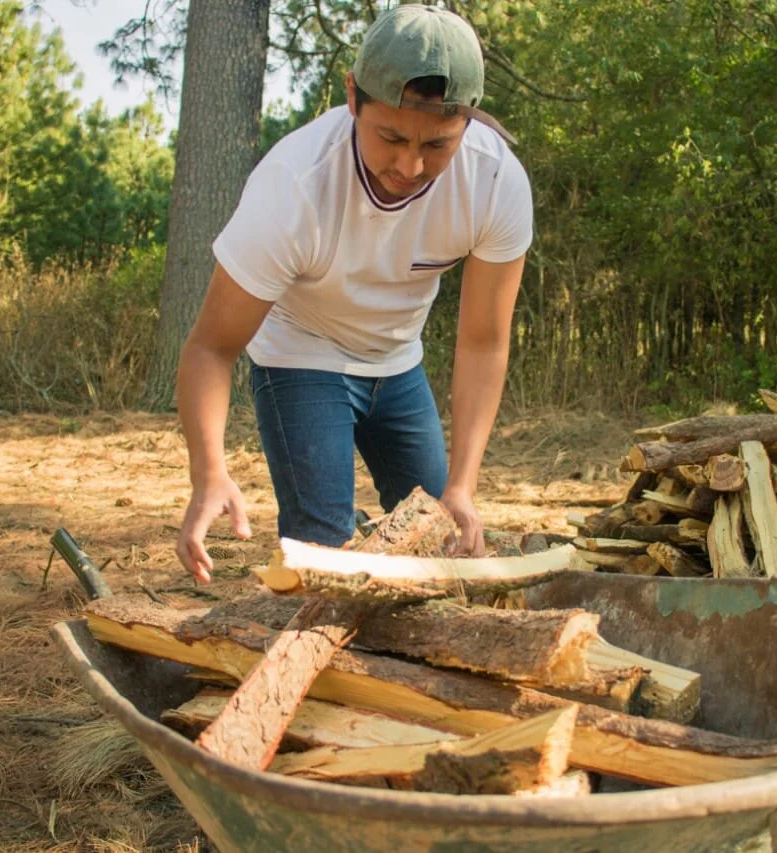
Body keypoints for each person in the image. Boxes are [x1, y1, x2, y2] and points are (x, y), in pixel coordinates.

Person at [173, 4, 533, 583]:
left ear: (469, 126)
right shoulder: (294, 186)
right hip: (301, 355)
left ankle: (370, 538)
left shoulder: (495, 181)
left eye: (438, 145)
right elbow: (211, 347)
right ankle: (345, 535)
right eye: (390, 137)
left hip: (397, 361)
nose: (410, 165)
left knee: (442, 539)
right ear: (352, 96)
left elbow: (485, 342)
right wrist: (208, 471)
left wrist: (462, 484)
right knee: (326, 561)